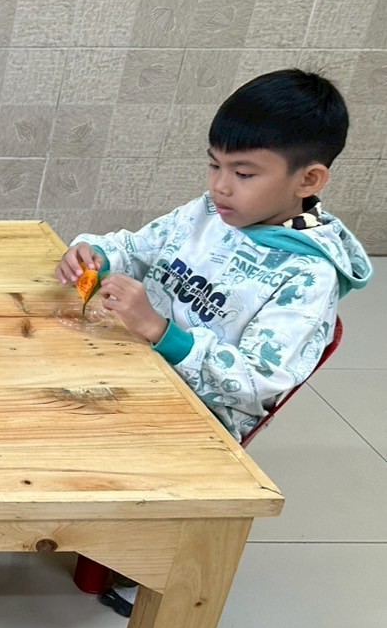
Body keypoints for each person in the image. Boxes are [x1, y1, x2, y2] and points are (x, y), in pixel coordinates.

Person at [56, 69, 372, 441]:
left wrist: (159, 330)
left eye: (244, 174)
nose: (220, 186)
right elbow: (137, 249)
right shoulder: (207, 212)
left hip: (195, 418)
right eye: (214, 165)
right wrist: (97, 257)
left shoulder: (309, 277)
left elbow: (254, 382)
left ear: (308, 180)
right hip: (131, 360)